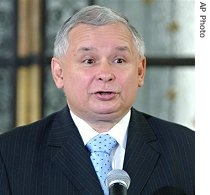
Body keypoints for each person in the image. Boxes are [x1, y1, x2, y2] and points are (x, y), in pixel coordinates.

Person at [0, 5, 194, 195]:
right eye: (89, 61)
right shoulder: (10, 155)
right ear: (59, 73)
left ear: (140, 71)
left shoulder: (190, 150)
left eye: (119, 60)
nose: (105, 74)